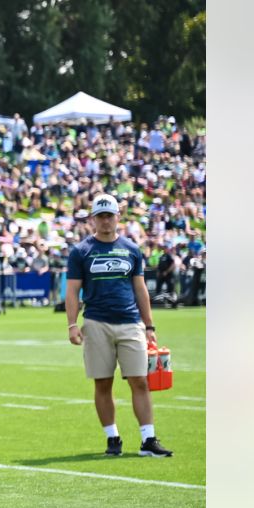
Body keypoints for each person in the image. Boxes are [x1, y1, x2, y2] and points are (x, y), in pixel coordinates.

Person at [65, 195, 173, 457]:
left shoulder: (131, 249)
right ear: (93, 219)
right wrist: (72, 324)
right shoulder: (81, 251)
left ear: (117, 217)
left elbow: (140, 288)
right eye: (100, 216)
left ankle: (148, 439)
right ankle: (112, 438)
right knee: (103, 383)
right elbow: (72, 291)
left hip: (130, 321)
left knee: (140, 381)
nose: (105, 221)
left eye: (109, 215)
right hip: (96, 321)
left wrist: (150, 326)